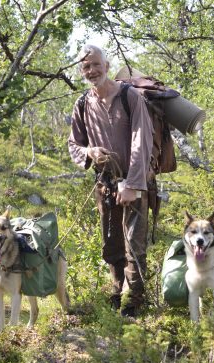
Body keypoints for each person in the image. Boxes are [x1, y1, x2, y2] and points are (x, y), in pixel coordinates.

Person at [68, 45, 153, 317]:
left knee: (134, 244)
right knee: (111, 242)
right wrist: (89, 152)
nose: (91, 71)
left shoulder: (131, 98)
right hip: (105, 184)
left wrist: (133, 185)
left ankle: (135, 300)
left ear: (107, 65)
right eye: (85, 67)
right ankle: (117, 292)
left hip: (135, 183)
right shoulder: (82, 104)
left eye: (95, 64)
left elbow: (143, 142)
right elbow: (73, 145)